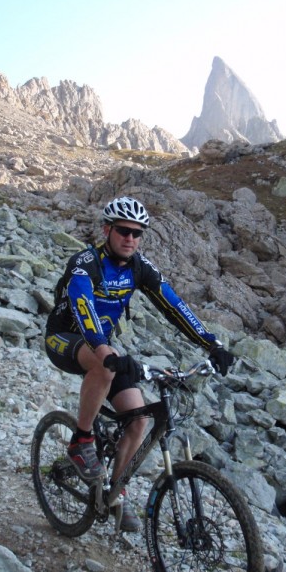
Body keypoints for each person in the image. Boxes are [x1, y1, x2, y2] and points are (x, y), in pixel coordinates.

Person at [45, 196, 233, 532]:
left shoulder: (139, 268)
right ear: (107, 229)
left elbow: (173, 306)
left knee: (139, 419)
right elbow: (83, 308)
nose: (130, 238)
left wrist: (211, 342)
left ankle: (116, 493)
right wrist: (105, 351)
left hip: (103, 346)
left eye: (137, 232)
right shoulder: (85, 263)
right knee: (105, 365)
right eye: (123, 231)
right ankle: (82, 440)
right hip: (66, 338)